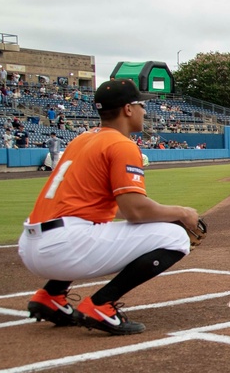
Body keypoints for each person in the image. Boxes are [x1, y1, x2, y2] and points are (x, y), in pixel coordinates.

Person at [18, 79, 201, 335]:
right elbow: (134, 211)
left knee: (103, 223)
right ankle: (102, 304)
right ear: (128, 109)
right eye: (141, 105)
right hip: (63, 245)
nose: (145, 111)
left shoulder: (82, 139)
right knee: (176, 237)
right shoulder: (121, 144)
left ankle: (51, 295)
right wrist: (182, 212)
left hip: (31, 244)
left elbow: (111, 207)